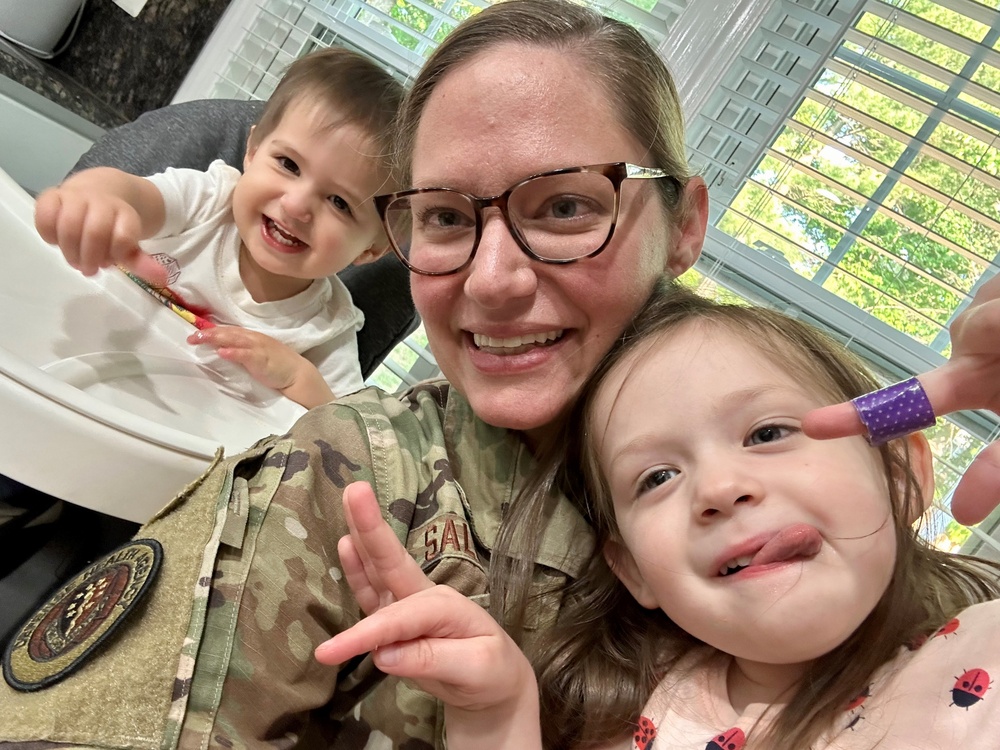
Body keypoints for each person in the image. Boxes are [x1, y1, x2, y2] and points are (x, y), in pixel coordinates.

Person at [0, 1, 998, 747]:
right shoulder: (346, 489)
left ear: (684, 221)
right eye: (443, 218)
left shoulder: (828, 451)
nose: (491, 280)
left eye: (565, 207)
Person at [317, 282, 1000, 750]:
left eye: (767, 434)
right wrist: (494, 716)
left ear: (900, 472)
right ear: (632, 568)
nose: (720, 487)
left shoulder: (983, 655)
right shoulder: (631, 717)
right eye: (657, 477)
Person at [33, 47, 403, 409]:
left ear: (370, 249)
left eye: (339, 203)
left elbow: (343, 430)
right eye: (288, 164)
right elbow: (137, 196)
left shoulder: (326, 329)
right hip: (65, 363)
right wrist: (97, 195)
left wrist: (297, 376)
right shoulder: (207, 202)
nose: (296, 205)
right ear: (253, 151)